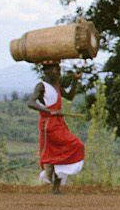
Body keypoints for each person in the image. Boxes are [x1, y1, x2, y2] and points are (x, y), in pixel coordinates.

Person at [28, 61, 85, 193]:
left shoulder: (57, 85)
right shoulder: (41, 86)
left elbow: (70, 97)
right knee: (74, 145)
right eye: (56, 70)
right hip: (48, 124)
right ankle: (53, 182)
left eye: (59, 69)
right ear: (46, 71)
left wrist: (75, 81)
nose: (59, 72)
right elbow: (30, 102)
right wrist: (49, 111)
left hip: (58, 123)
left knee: (59, 152)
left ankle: (56, 187)